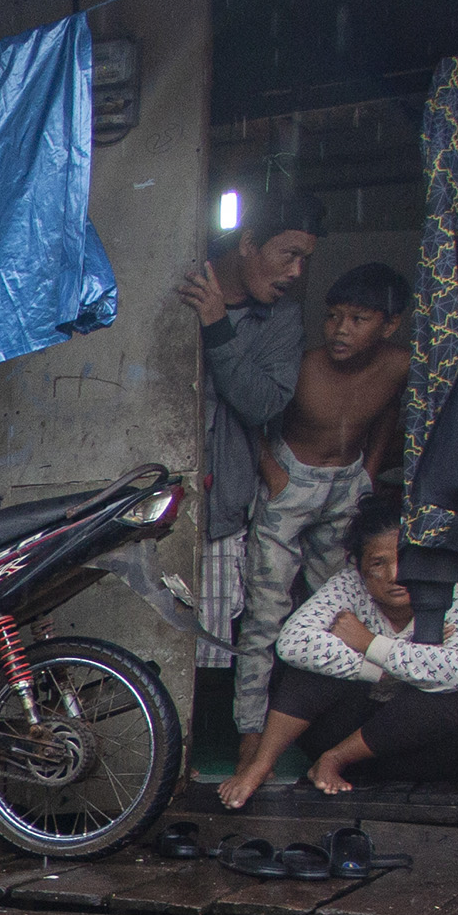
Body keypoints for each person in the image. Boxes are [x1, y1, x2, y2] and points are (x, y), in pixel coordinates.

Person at [214, 262, 412, 799]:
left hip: (349, 486)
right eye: (333, 317)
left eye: (358, 319)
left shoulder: (398, 365)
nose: (340, 330)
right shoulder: (304, 368)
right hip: (290, 483)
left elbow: (388, 414)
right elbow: (251, 412)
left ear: (390, 325)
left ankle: (330, 738)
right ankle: (250, 739)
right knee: (265, 617)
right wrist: (275, 476)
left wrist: (370, 472)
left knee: (338, 614)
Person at [218, 491, 458, 807]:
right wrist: (381, 671)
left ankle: (335, 758)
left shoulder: (450, 593)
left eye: (405, 557)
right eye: (378, 563)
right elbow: (292, 642)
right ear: (359, 566)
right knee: (309, 669)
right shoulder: (349, 586)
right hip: (340, 729)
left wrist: (369, 643)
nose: (394, 576)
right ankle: (260, 765)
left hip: (414, 754)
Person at [176, 186, 322, 692]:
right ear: (247, 242)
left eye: (305, 260)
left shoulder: (282, 321)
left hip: (221, 505)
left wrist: (218, 327)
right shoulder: (180, 280)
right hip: (149, 493)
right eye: (289, 254)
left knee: (209, 653)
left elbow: (264, 403)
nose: (296, 272)